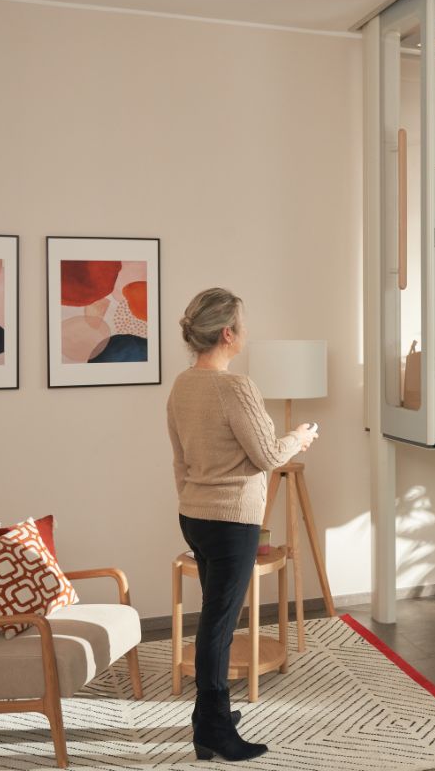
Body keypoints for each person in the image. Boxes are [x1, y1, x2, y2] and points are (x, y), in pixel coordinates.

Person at [167, 287, 318, 762]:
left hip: (193, 515)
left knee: (215, 617)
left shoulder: (182, 385)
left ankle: (211, 715)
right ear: (227, 333)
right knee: (219, 624)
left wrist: (194, 500)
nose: (246, 333)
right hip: (231, 522)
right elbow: (269, 455)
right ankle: (211, 726)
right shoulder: (236, 388)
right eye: (243, 325)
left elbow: (180, 460)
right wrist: (299, 436)